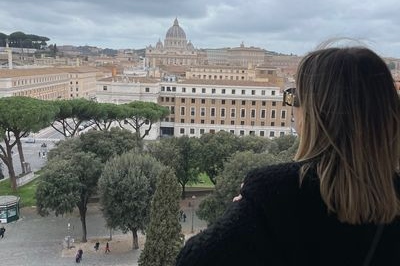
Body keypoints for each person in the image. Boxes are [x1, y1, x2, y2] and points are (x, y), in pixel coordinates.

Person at [175, 47, 400, 266]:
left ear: (314, 113)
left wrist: (240, 213)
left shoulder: (274, 194)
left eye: (294, 97)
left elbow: (193, 259)